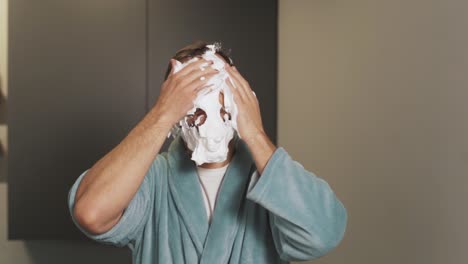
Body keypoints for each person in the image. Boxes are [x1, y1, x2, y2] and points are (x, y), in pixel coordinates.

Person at [67, 40, 348, 264]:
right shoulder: (151, 181)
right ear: (177, 117)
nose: (212, 124)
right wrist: (159, 116)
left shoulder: (270, 185)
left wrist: (255, 133)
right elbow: (91, 213)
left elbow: (323, 233)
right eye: (197, 111)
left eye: (223, 107)